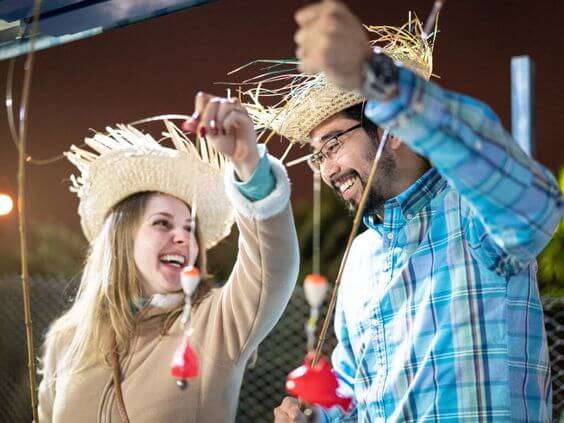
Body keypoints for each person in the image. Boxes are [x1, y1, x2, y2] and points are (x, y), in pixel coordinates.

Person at [254, 2, 562, 422]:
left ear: (392, 132)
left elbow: (534, 200)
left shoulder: (472, 212)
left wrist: (378, 80)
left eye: (333, 145)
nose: (327, 170)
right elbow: (355, 387)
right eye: (317, 157)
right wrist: (318, 414)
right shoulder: (362, 257)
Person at [37, 92, 299, 422]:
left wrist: (248, 165)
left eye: (190, 229)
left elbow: (272, 269)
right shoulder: (67, 339)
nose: (183, 237)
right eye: (162, 223)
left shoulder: (212, 324)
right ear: (121, 240)